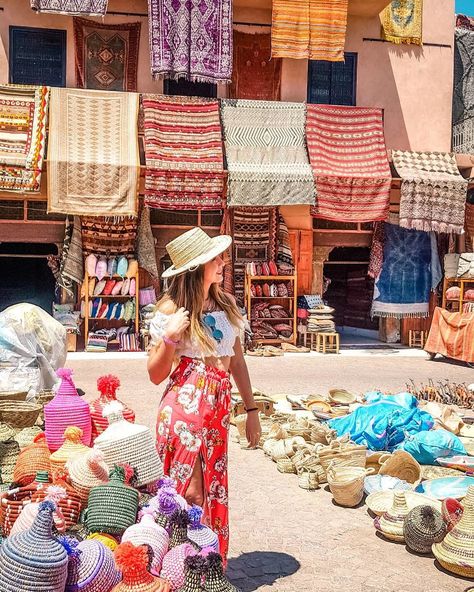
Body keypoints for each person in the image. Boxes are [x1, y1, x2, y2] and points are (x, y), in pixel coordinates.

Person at [147, 227, 261, 560]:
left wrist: (251, 412)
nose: (224, 262)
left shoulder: (226, 304)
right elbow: (155, 375)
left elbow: (236, 361)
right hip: (183, 408)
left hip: (216, 410)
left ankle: (207, 564)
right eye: (217, 258)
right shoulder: (170, 310)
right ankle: (181, 566)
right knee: (191, 493)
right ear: (198, 267)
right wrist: (170, 337)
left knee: (212, 487)